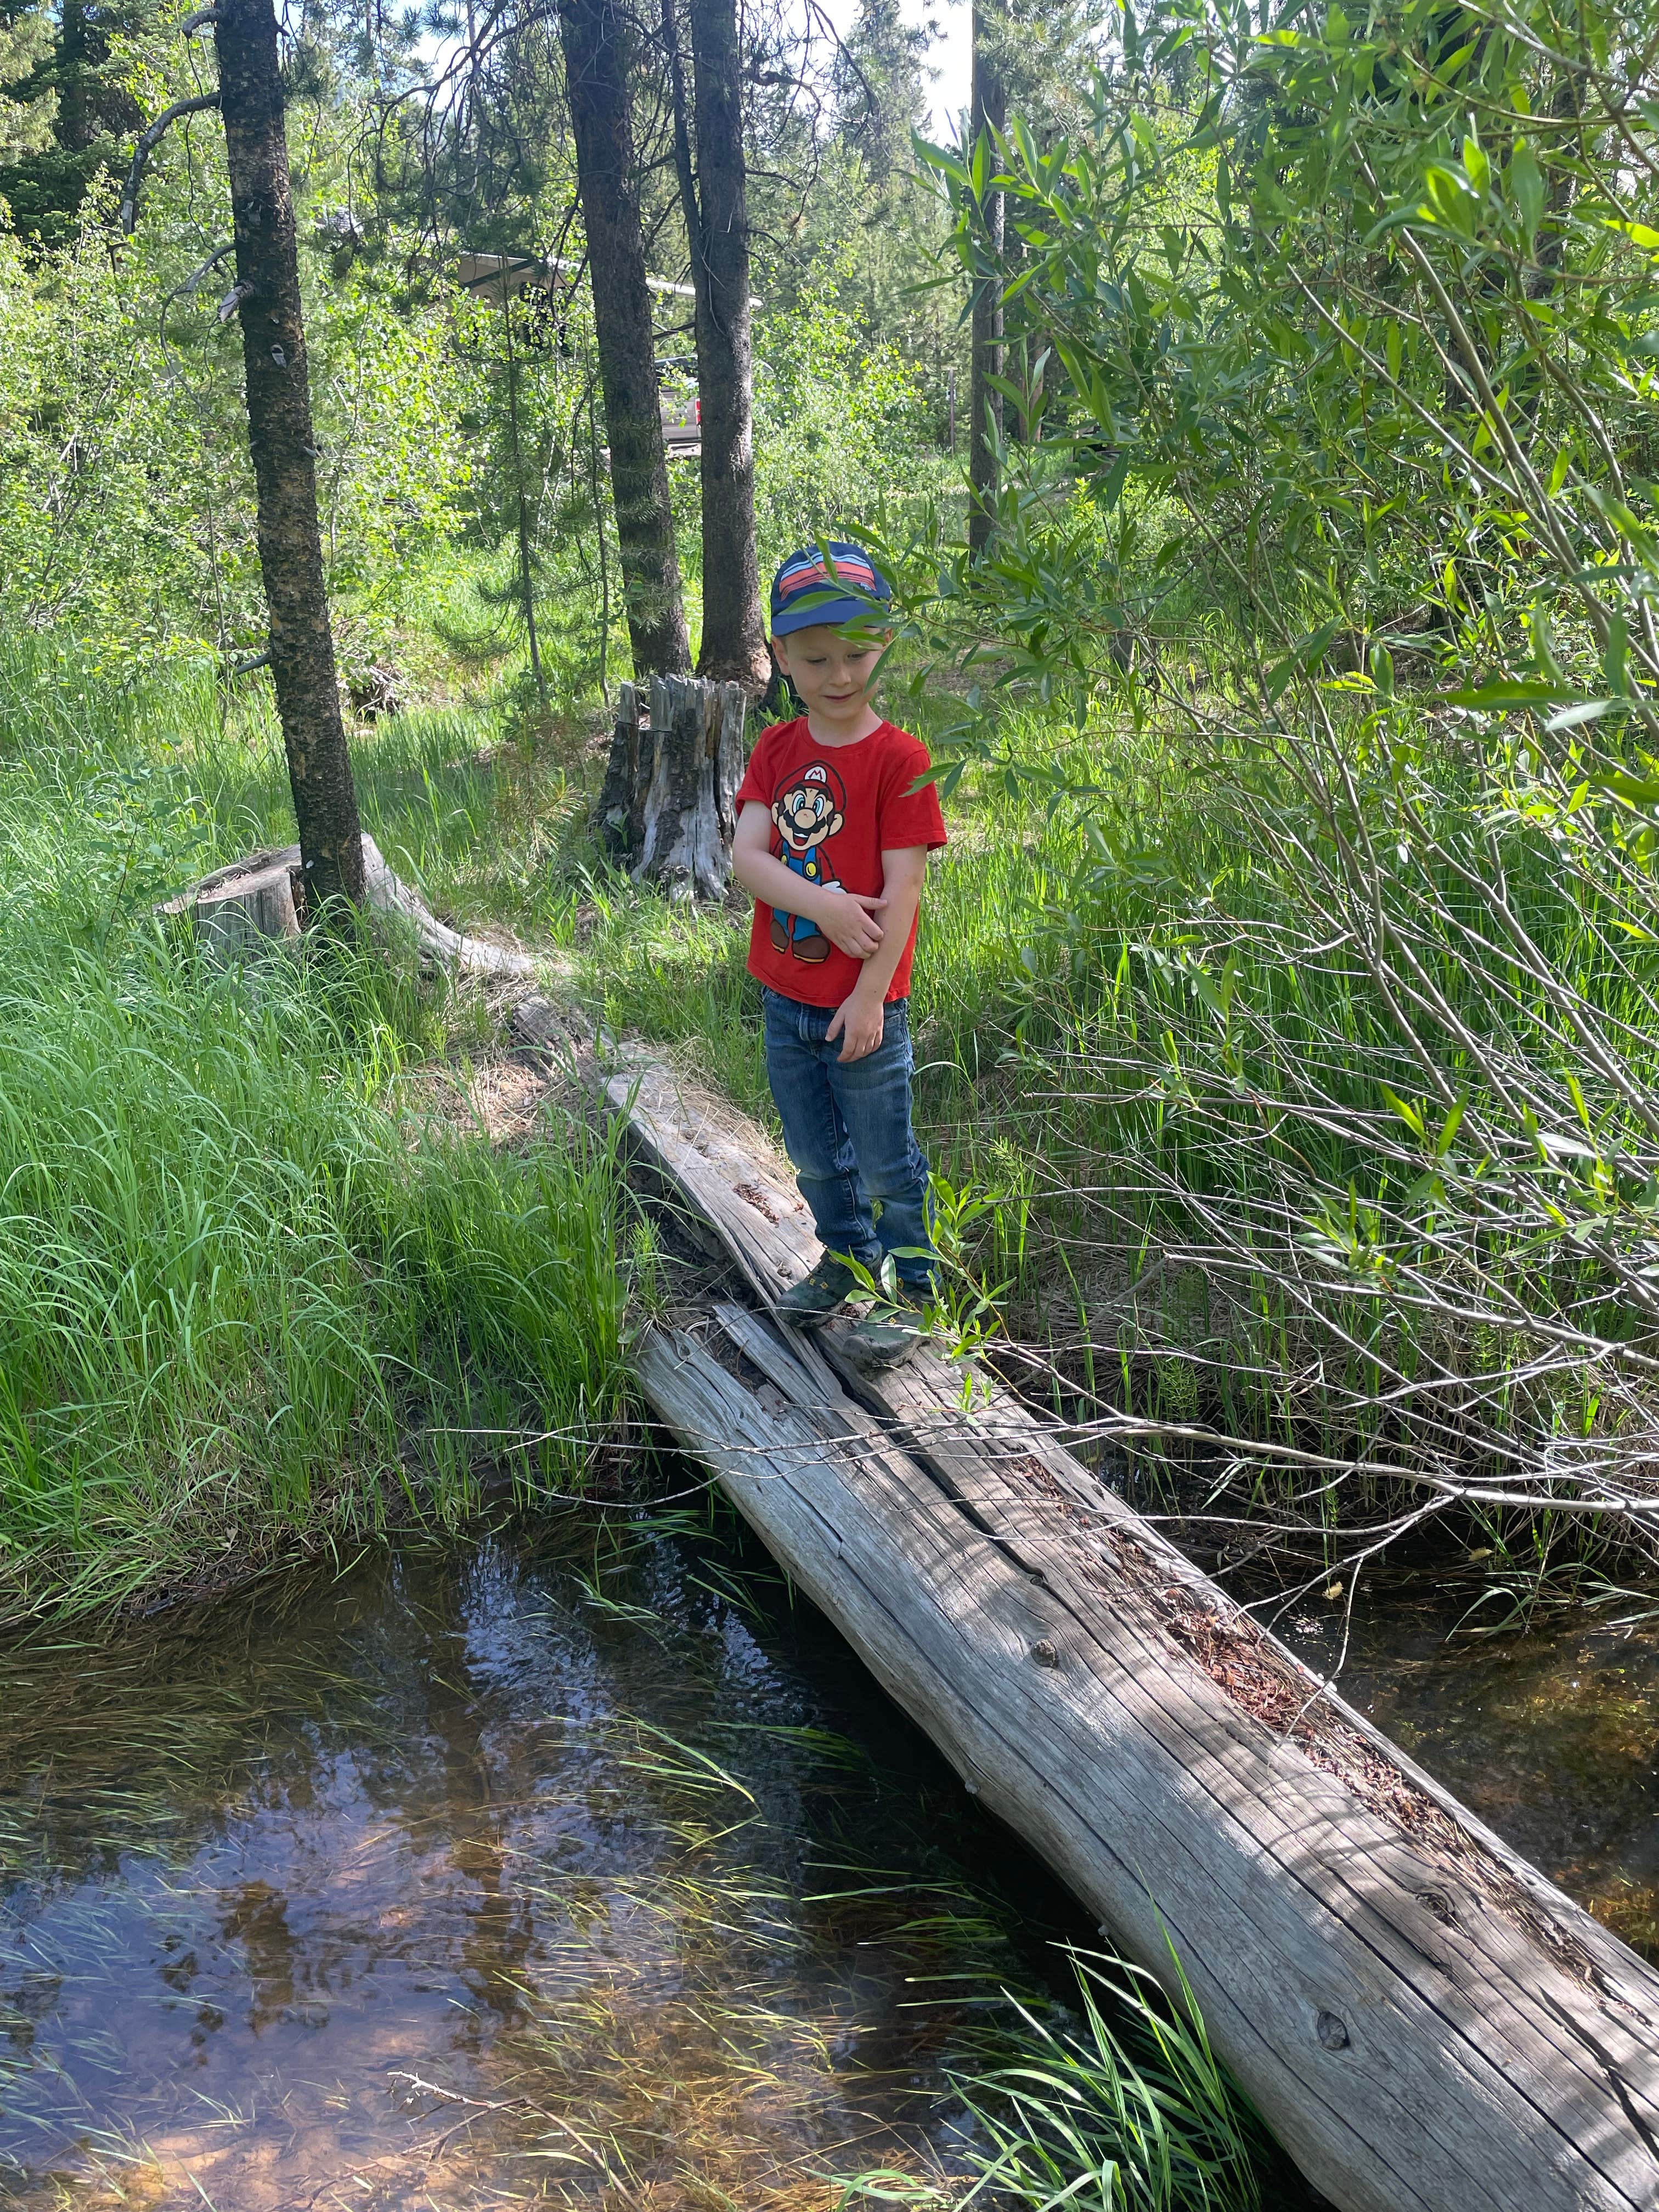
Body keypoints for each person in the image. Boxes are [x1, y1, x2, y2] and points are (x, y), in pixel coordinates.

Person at [731, 543, 948, 1367]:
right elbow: (745, 858)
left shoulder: (902, 760)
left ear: (884, 642)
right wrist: (819, 900)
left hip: (867, 1006)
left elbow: (904, 896)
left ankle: (919, 1287)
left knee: (887, 1157)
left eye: (857, 653)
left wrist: (867, 997)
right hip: (786, 997)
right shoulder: (779, 750)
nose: (840, 674)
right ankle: (848, 1258)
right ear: (781, 656)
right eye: (816, 658)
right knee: (817, 1154)